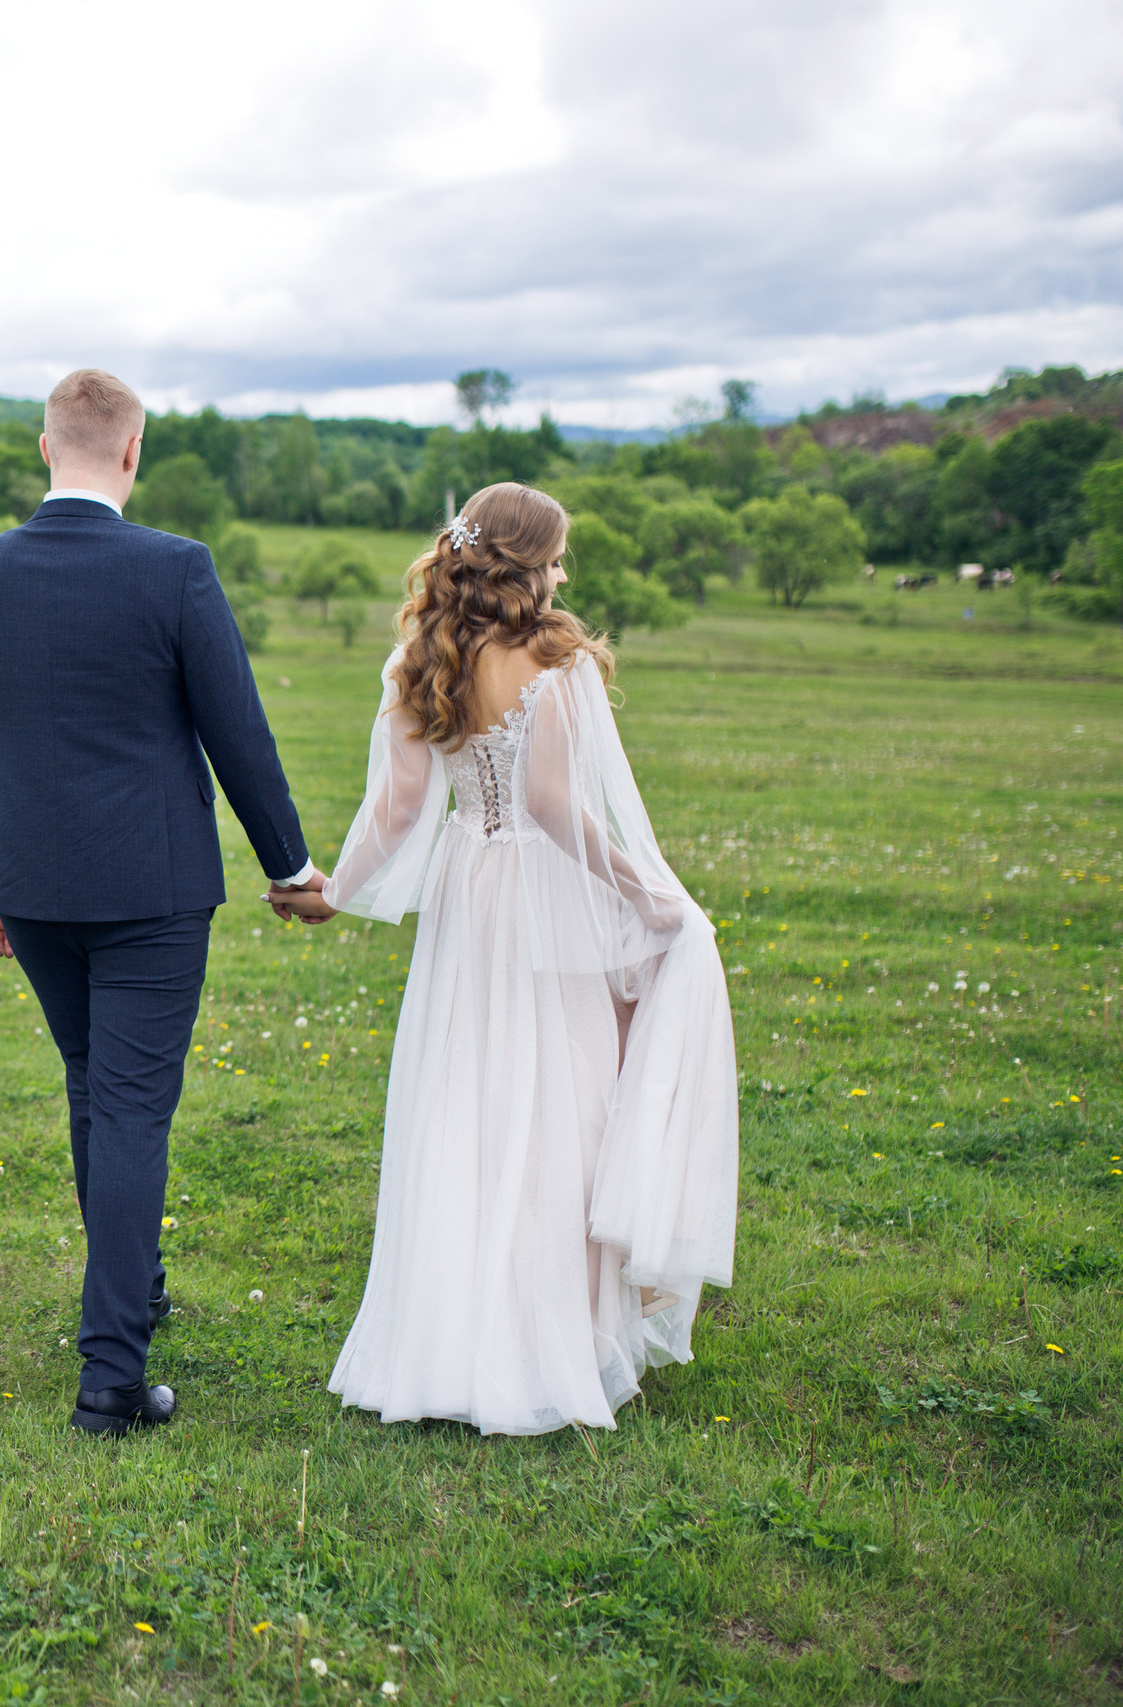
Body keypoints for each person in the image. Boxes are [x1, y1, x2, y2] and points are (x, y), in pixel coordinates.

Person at [275, 484, 738, 1435]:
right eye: (558, 555)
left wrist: (332, 889)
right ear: (526, 563)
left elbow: (400, 809)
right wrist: (649, 893)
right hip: (541, 889)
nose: (565, 572)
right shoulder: (553, 656)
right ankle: (545, 1338)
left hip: (466, 891)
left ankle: (448, 1340)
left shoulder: (421, 654)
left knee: (464, 1104)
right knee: (559, 1106)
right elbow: (559, 804)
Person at [0, 367, 319, 1436]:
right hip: (150, 885)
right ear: (132, 452)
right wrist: (288, 868)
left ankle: (131, 1284)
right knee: (131, 1105)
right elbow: (234, 729)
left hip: (30, 885)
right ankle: (111, 1374)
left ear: (45, 448)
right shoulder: (176, 570)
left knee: (92, 1082)